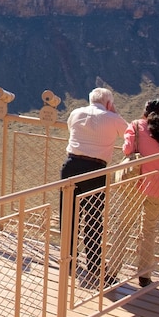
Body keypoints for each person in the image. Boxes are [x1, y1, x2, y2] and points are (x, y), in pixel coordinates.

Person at [61, 87, 128, 286]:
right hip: (95, 170)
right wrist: (114, 113)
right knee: (93, 217)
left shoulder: (76, 113)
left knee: (69, 214)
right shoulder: (112, 117)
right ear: (108, 102)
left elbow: (70, 128)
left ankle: (69, 260)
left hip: (71, 165)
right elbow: (129, 134)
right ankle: (94, 264)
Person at [121, 99, 159, 287]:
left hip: (135, 183)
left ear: (145, 112)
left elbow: (127, 149)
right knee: (148, 229)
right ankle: (145, 275)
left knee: (124, 225)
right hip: (158, 184)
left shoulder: (136, 126)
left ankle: (112, 269)